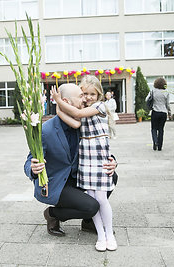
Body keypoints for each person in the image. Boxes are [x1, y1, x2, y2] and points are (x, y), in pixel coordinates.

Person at [23, 83, 117, 241]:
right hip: (57, 183)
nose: (85, 100)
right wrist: (33, 168)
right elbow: (28, 161)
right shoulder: (46, 130)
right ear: (66, 101)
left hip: (78, 178)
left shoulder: (83, 123)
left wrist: (113, 161)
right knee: (92, 206)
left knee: (111, 177)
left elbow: (98, 146)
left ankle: (88, 222)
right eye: (81, 96)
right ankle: (52, 214)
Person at [51, 76, 117, 252]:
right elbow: (75, 121)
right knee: (93, 198)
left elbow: (78, 114)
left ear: (99, 95)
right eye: (84, 93)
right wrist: (59, 110)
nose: (88, 97)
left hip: (99, 159)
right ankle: (101, 237)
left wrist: (58, 101)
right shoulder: (85, 110)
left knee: (101, 198)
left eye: (92, 94)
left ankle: (109, 233)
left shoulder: (99, 107)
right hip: (86, 161)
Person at [146, 77, 171, 151]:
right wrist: (169, 112)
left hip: (155, 111)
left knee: (153, 128)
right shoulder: (166, 92)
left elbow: (146, 99)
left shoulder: (152, 91)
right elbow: (168, 104)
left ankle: (155, 141)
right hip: (163, 113)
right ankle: (160, 146)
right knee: (161, 129)